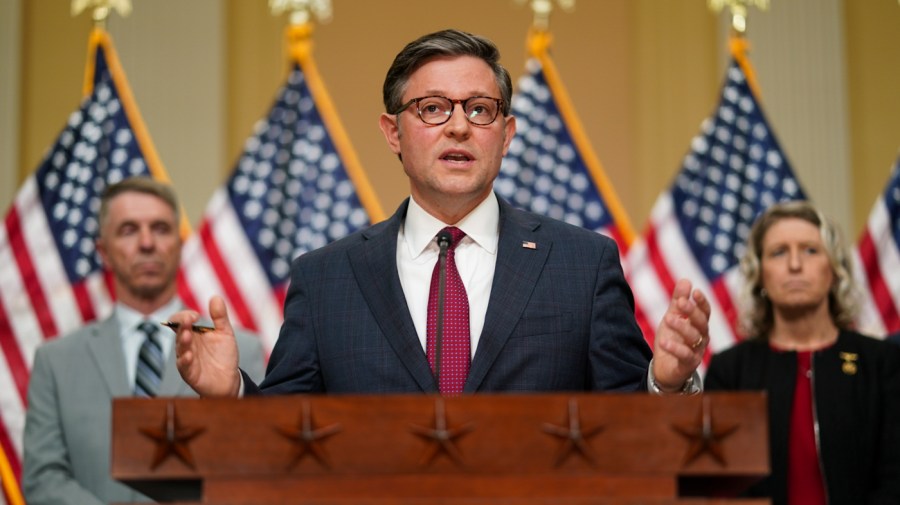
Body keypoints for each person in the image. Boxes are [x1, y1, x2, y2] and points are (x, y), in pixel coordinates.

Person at [173, 29, 709, 399]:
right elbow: (288, 431)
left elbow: (629, 424)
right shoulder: (326, 277)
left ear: (506, 135)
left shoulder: (582, 263)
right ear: (393, 133)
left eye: (480, 109)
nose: (458, 127)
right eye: (433, 108)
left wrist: (666, 381)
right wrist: (236, 393)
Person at [23, 177, 266, 505]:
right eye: (128, 230)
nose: (147, 242)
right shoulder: (55, 361)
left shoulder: (242, 352)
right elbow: (43, 478)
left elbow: (259, 468)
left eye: (161, 228)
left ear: (180, 246)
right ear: (103, 251)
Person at [704, 201, 900, 505]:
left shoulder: (881, 362)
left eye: (810, 250)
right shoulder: (730, 370)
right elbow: (722, 486)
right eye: (778, 252)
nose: (795, 264)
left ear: (833, 270)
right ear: (760, 274)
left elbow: (894, 479)